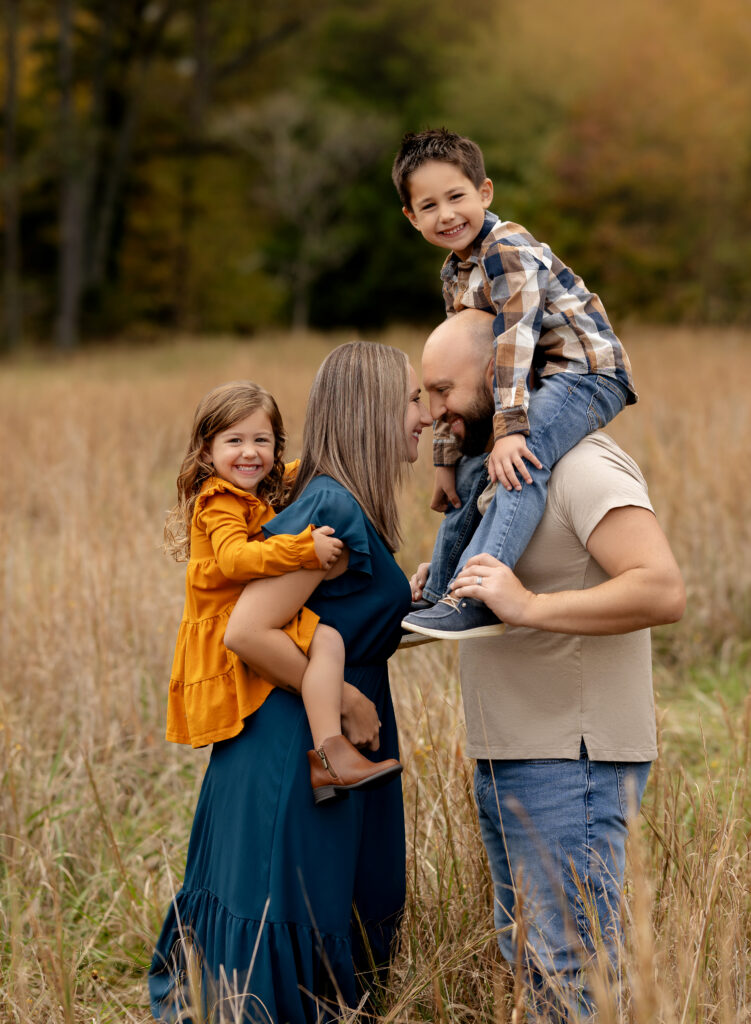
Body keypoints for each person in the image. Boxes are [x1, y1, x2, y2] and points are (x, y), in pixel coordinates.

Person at [408, 310, 685, 1019]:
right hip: (508, 751)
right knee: (533, 962)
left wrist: (525, 604)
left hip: (574, 758)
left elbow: (660, 587)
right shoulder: (501, 479)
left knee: (572, 969)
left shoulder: (583, 464)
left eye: (443, 390)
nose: (432, 410)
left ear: (503, 377)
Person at [149, 343, 432, 1024]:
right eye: (413, 400)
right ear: (370, 411)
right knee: (293, 914)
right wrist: (344, 695)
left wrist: (412, 608)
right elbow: (246, 631)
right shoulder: (327, 505)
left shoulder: (341, 497)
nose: (425, 417)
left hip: (319, 728)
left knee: (347, 899)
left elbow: (340, 620)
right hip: (295, 743)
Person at [393, 128, 638, 639]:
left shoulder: (507, 247)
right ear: (411, 218)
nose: (447, 215)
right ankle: (439, 593)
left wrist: (509, 431)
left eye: (457, 197)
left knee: (519, 463)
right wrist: (447, 458)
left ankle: (476, 599)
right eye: (429, 206)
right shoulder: (454, 273)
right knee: (470, 477)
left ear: (484, 192)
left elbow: (515, 342)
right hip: (533, 384)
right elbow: (461, 366)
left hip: (586, 373)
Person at [162, 379, 402, 803]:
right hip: (226, 630)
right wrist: (303, 548)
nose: (250, 452)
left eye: (262, 440)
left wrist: (330, 459)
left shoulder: (255, 489)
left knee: (327, 640)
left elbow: (304, 470)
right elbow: (235, 560)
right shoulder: (219, 500)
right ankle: (332, 754)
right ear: (205, 451)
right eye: (234, 440)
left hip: (249, 614)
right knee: (327, 641)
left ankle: (331, 759)